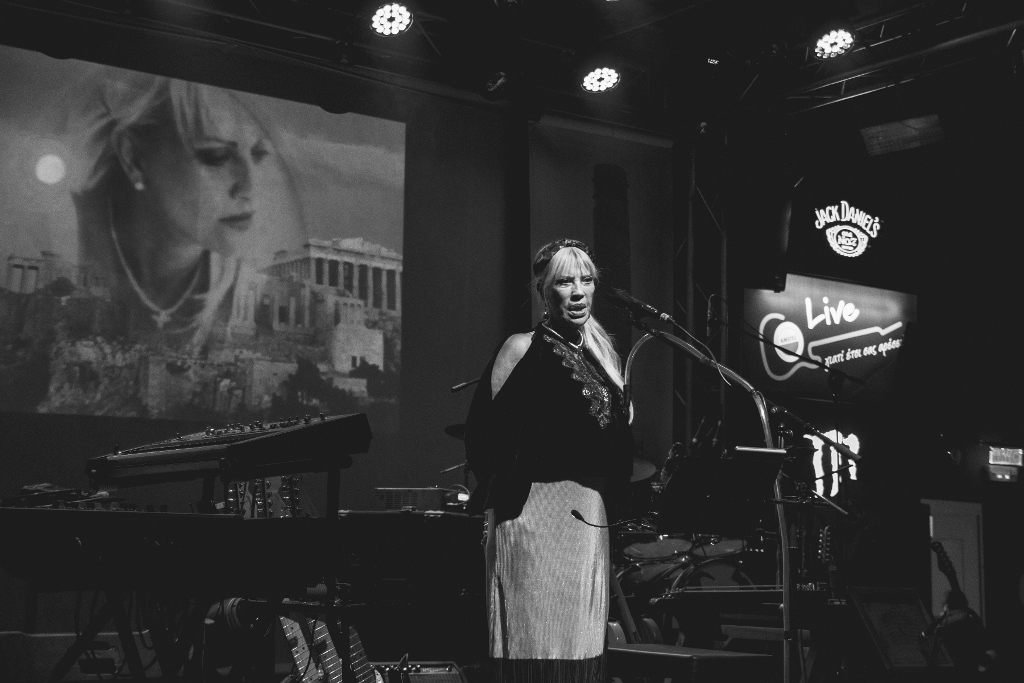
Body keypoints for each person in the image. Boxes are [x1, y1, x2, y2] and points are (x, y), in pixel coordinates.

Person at [465, 238, 635, 682]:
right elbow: (484, 436)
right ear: (544, 290)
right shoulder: (522, 347)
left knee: (579, 644)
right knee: (535, 642)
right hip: (533, 517)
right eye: (564, 282)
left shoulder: (602, 358)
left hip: (587, 518)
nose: (578, 292)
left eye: (586, 280)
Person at [68, 72, 305, 351]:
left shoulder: (243, 282)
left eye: (259, 154)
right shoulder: (75, 240)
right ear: (133, 157)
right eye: (216, 156)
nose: (250, 188)